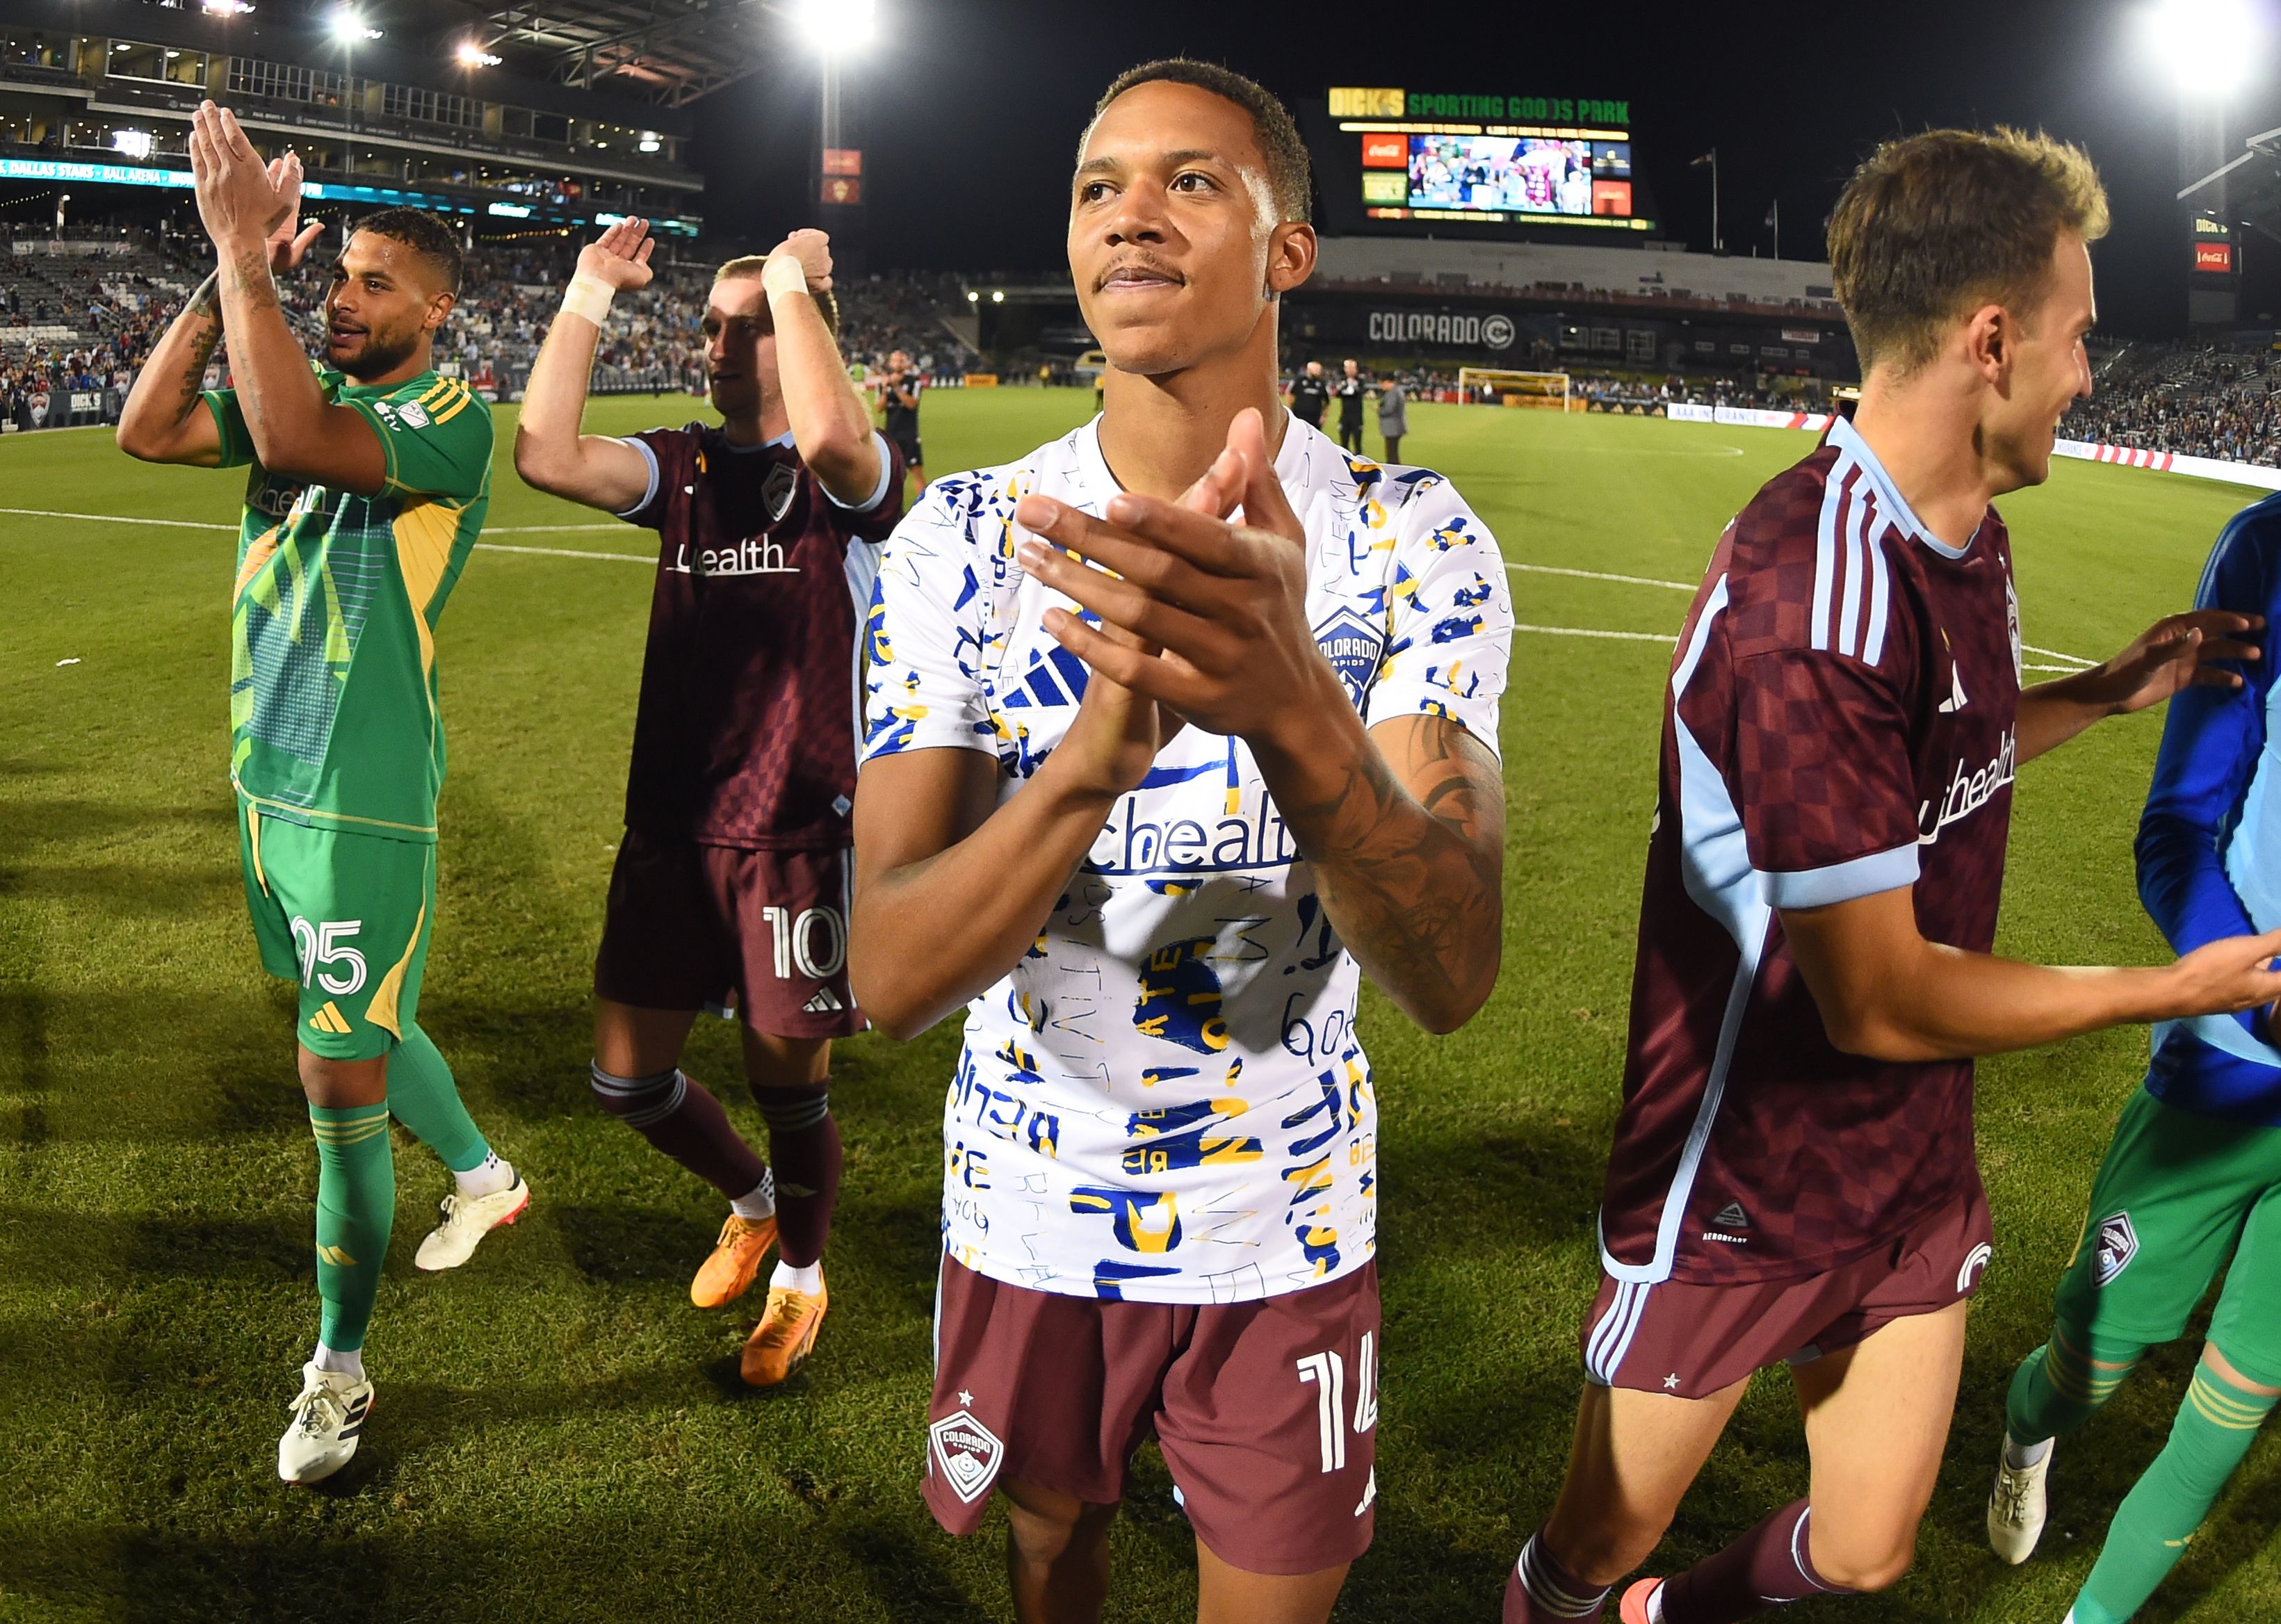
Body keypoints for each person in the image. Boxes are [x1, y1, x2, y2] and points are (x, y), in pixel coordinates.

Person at [1500, 128, 2281, 1624]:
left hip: (1908, 1158)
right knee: (1586, 1551)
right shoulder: (1814, 588)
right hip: (1748, 1173)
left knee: (1862, 1548)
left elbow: (1934, 757)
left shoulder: (1966, 539)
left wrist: (2094, 696)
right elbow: (1875, 1000)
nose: (2086, 372)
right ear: (1990, 342)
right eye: (2073, 336)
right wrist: (2171, 988)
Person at [852, 58, 1511, 1624]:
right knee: (1047, 1553)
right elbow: (885, 975)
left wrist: (1289, 703)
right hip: (1027, 1200)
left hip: (1282, 1223)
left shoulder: (1410, 537)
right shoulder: (964, 539)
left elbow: (1451, 970)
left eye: (1188, 181)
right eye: (1098, 186)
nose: (1128, 215)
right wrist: (1092, 760)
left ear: (1289, 250)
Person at [116, 105, 529, 1485]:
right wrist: (220, 268)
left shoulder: (444, 420)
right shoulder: (309, 387)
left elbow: (288, 436)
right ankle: (486, 1178)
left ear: (436, 311)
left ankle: (338, 1372)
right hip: (268, 773)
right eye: (337, 274)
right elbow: (147, 430)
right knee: (350, 1019)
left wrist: (247, 251)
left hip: (361, 801)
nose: (343, 297)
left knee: (333, 1070)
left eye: (373, 284)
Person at [512, 220, 900, 1388]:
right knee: (624, 1081)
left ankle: (802, 1281)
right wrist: (589, 287)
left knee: (790, 1090)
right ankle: (755, 1206)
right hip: (674, 826)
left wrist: (793, 284)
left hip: (797, 829)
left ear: (804, 336)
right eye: (713, 327)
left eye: (753, 328)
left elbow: (830, 433)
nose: (722, 346)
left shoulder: (852, 476)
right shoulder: (680, 467)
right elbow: (545, 455)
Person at [1985, 489, 2281, 1624]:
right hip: (2225, 1068)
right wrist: (2264, 996)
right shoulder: (2267, 551)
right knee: (2088, 1366)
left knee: (2232, 1408)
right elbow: (2175, 833)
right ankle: (2025, 1438)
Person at [882, 346, 925, 491]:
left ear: (906, 363)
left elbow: (911, 404)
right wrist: (885, 389)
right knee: (891, 475)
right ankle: (895, 506)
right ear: (890, 363)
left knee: (916, 471)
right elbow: (879, 408)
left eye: (901, 360)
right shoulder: (884, 383)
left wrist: (896, 387)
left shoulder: (914, 382)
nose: (898, 363)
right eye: (895, 360)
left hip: (909, 434)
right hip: (891, 435)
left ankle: (925, 503)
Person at [1333, 356, 1365, 453]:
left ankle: (1359, 462)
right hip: (1345, 416)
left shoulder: (1360, 381)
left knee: (1357, 444)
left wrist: (1347, 391)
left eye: (1353, 368)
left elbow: (1359, 392)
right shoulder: (1342, 381)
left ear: (1357, 369)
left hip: (1357, 417)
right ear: (1345, 369)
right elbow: (1338, 394)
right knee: (1344, 444)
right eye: (1348, 367)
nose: (1350, 370)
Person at [1288, 355, 1328, 430]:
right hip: (1299, 416)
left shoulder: (1322, 384)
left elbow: (1327, 402)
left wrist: (1324, 416)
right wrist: (1290, 409)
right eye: (1316, 369)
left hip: (1315, 418)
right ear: (1309, 369)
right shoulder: (1299, 381)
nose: (1319, 371)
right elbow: (1290, 393)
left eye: (1319, 369)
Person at [1375, 372, 1407, 464]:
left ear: (1387, 382)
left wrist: (1379, 410)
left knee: (1392, 454)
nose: (1381, 386)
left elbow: (1389, 409)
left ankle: (1395, 470)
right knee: (1392, 452)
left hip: (1393, 427)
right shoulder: (1396, 391)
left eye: (1381, 383)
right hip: (1395, 427)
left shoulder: (1393, 393)